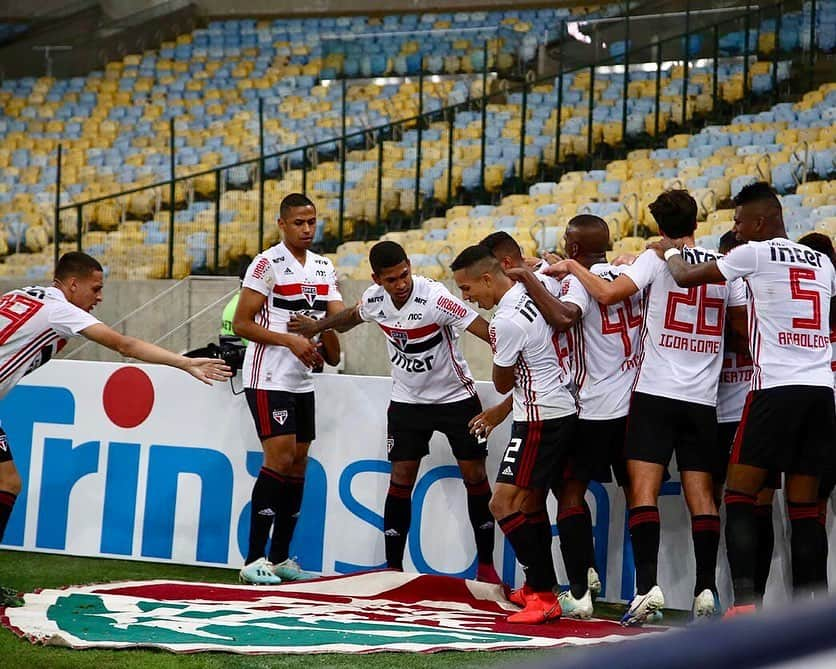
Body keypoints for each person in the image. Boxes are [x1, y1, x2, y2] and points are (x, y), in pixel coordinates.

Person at [545, 190, 748, 624]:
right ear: (697, 221)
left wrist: (573, 266)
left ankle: (646, 588)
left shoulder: (656, 258)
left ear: (659, 227)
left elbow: (605, 295)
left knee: (643, 491)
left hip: (655, 393)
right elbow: (738, 330)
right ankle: (706, 589)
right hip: (704, 398)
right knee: (703, 497)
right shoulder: (722, 264)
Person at [0, 252, 231, 607]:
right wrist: (183, 362)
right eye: (96, 288)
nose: (100, 297)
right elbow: (124, 345)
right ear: (72, 285)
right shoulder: (62, 310)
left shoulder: (27, 293)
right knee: (7, 482)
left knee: (7, 481)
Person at [649, 182, 836, 614]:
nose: (734, 227)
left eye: (737, 220)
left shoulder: (753, 253)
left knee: (738, 495)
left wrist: (668, 251)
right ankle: (815, 616)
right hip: (820, 392)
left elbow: (684, 277)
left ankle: (745, 607)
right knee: (805, 509)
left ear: (758, 221)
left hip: (774, 389)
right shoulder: (823, 262)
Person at [289, 240, 502, 584]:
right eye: (391, 280)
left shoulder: (436, 298)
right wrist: (318, 326)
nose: (400, 283)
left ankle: (487, 567)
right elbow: (350, 317)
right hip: (407, 403)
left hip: (455, 400)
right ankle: (392, 569)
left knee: (474, 477)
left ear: (409, 266)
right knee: (401, 479)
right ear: (377, 279)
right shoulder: (375, 299)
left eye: (404, 275)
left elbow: (487, 332)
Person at [485, 218, 644, 618]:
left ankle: (574, 588)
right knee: (635, 496)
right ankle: (636, 586)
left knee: (565, 494)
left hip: (584, 405)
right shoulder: (629, 272)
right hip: (634, 400)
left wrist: (547, 269)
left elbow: (565, 317)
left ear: (573, 248)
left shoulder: (568, 282)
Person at [451, 244, 577, 624]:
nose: (466, 298)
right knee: (529, 505)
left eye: (468, 289)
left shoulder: (505, 321)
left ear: (488, 278)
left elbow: (503, 382)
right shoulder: (530, 289)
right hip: (554, 408)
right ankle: (542, 586)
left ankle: (542, 595)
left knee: (501, 505)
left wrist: (499, 349)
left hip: (540, 418)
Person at [233, 193, 344, 585]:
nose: (308, 229)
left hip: (301, 380)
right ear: (282, 224)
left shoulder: (323, 267)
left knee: (298, 462)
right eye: (299, 222)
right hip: (268, 376)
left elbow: (334, 323)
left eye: (312, 221)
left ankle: (279, 558)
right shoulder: (266, 263)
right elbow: (242, 324)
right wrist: (291, 342)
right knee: (278, 458)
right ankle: (252, 559)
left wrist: (325, 338)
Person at [715, 231, 778, 604]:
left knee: (743, 504)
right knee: (754, 505)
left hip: (741, 407)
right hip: (747, 406)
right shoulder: (770, 292)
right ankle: (748, 598)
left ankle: (747, 601)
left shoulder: (720, 294)